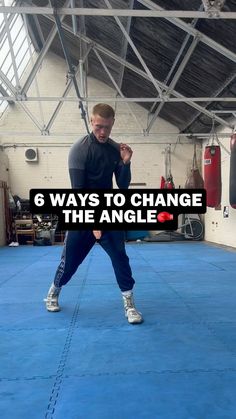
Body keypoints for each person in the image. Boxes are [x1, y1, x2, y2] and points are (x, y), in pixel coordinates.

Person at [45, 103, 143, 324]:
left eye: (107, 128)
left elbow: (123, 186)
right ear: (91, 122)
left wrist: (126, 163)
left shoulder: (115, 150)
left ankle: (129, 303)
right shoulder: (79, 149)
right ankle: (54, 290)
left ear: (112, 124)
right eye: (98, 126)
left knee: (120, 257)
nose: (102, 132)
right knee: (70, 262)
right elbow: (78, 192)